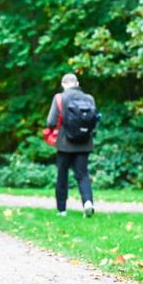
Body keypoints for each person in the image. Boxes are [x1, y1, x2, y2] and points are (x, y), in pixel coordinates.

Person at [46, 73, 97, 217]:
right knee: (82, 175)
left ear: (63, 84)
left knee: (62, 175)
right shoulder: (89, 98)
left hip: (64, 143)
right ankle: (88, 203)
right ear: (77, 83)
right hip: (85, 142)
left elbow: (51, 121)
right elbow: (93, 120)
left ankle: (62, 209)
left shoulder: (59, 98)